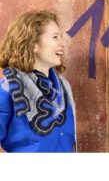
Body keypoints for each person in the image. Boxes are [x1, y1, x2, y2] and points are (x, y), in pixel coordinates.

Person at [0, 10, 77, 152]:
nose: (62, 44)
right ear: (34, 44)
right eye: (55, 37)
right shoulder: (8, 89)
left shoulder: (63, 86)